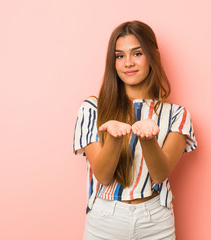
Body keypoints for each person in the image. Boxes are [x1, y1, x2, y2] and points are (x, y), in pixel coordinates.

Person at [73, 20, 197, 240]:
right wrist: (113, 137)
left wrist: (148, 138)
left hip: (156, 220)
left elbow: (160, 174)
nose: (128, 63)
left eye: (137, 53)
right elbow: (102, 175)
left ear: (153, 57)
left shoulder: (177, 114)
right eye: (119, 56)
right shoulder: (92, 108)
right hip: (105, 220)